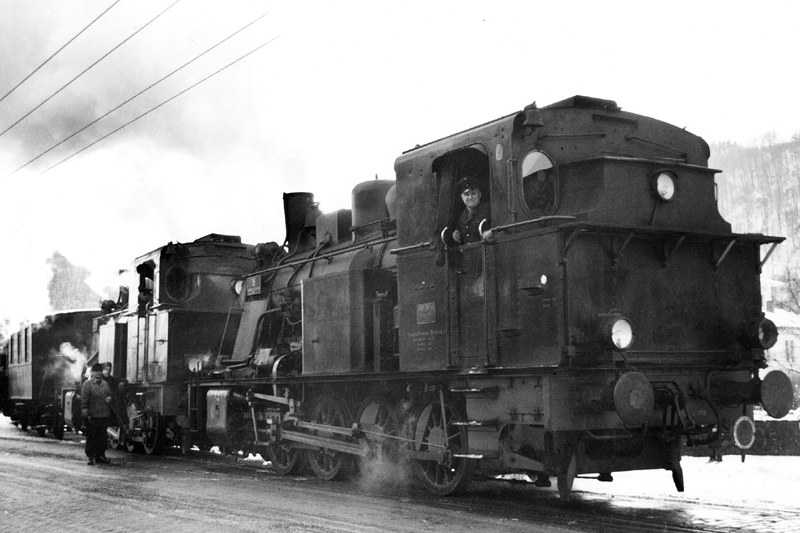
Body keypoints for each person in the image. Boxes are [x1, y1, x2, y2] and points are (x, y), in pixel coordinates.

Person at [81, 363, 112, 465]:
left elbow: (109, 395)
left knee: (102, 437)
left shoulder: (105, 384)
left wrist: (109, 398)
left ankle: (100, 455)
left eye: (100, 371)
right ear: (92, 372)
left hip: (104, 414)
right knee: (91, 436)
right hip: (93, 415)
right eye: (96, 371)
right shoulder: (87, 384)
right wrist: (84, 409)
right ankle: (90, 456)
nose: (98, 373)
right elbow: (84, 399)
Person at [452, 176, 492, 245]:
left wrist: (491, 233)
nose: (470, 197)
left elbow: (500, 229)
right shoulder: (462, 216)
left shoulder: (489, 209)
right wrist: (456, 235)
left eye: (473, 193)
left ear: (480, 194)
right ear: (462, 197)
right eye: (466, 194)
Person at [102, 362, 128, 427]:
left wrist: (122, 383)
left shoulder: (113, 379)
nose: (108, 372)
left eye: (109, 370)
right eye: (106, 370)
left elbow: (124, 380)